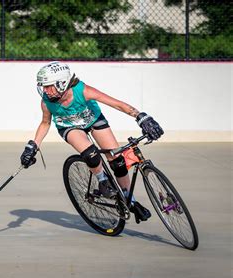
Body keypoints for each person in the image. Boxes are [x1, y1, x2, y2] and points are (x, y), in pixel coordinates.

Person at [20, 61, 164, 223]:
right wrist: (33, 146)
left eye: (48, 86)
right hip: (69, 126)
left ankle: (129, 198)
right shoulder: (46, 102)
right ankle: (103, 181)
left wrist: (141, 116)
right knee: (91, 154)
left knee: (118, 161)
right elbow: (45, 123)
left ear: (62, 83)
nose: (44, 90)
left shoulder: (83, 91)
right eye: (43, 86)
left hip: (93, 120)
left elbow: (116, 103)